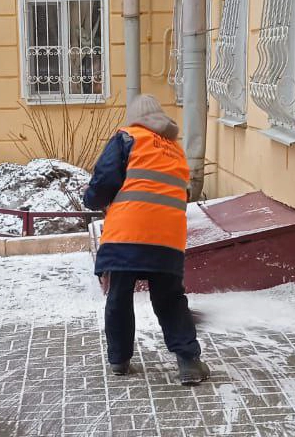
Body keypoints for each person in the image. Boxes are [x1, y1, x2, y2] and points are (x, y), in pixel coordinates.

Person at [83, 94, 210, 385]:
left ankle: (119, 361)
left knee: (119, 296)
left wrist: (91, 198)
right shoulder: (175, 151)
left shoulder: (128, 138)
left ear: (135, 118)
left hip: (127, 233)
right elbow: (183, 192)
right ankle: (189, 362)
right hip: (168, 238)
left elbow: (103, 182)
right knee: (170, 299)